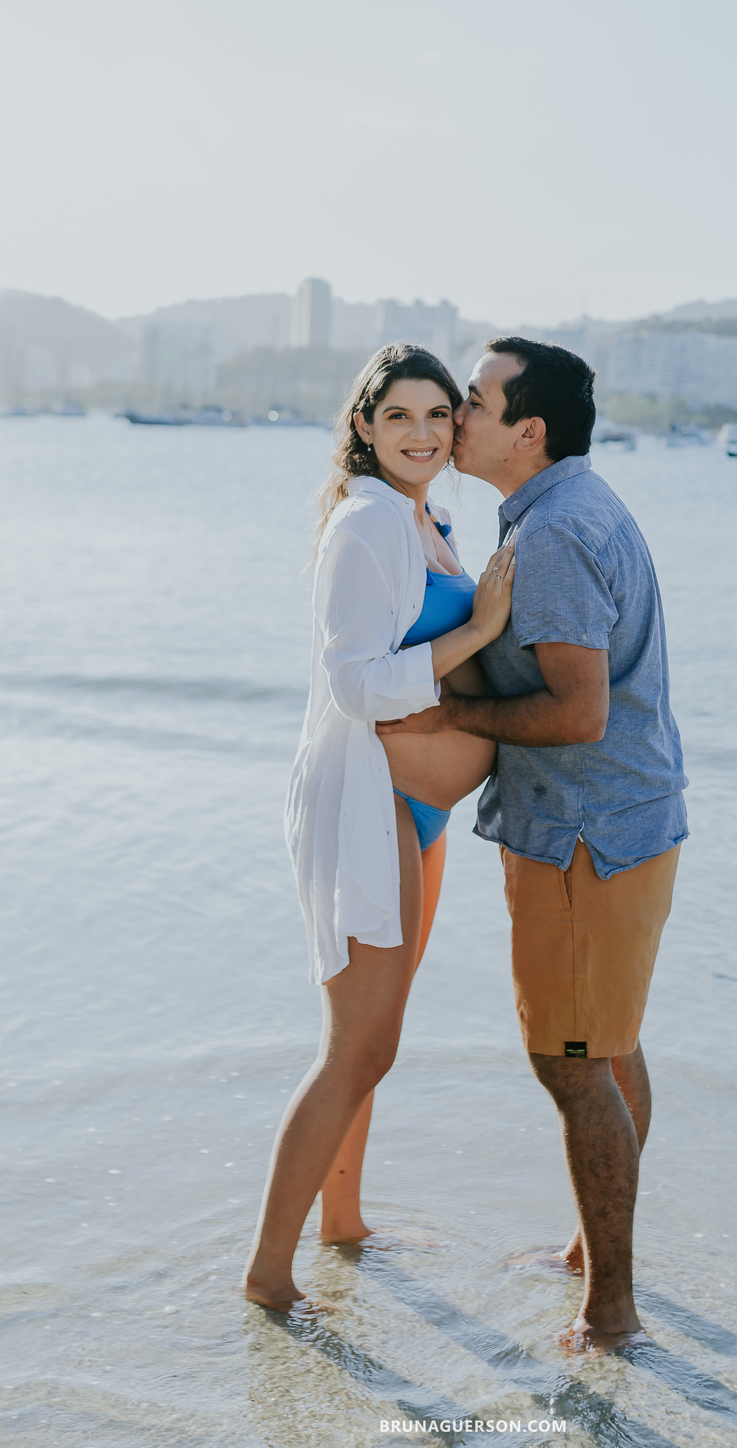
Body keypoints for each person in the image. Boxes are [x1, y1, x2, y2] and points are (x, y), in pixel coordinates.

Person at [379, 338, 687, 1347]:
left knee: (571, 1065)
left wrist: (453, 724)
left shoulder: (554, 534)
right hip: (626, 824)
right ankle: (590, 1257)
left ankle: (611, 1310)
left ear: (529, 430)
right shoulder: (569, 510)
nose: (455, 416)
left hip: (582, 838)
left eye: (472, 400)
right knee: (611, 1044)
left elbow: (576, 713)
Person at [243, 343, 516, 1311]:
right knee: (358, 1044)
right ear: (364, 427)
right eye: (398, 416)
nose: (422, 433)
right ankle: (268, 1277)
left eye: (438, 416)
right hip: (368, 800)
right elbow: (355, 684)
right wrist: (479, 631)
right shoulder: (365, 523)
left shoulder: (426, 517)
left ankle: (344, 1226)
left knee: (378, 1037)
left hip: (420, 810)